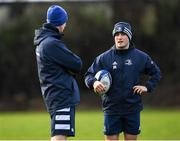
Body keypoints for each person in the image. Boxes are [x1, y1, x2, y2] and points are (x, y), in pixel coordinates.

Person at [84, 22, 161, 140]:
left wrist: (147, 86)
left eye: (123, 34)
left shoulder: (141, 57)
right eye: (117, 34)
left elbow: (156, 73)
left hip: (132, 109)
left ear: (129, 36)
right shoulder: (104, 58)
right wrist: (94, 82)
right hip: (111, 109)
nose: (119, 37)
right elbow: (88, 75)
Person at [34, 5, 82, 141]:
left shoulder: (43, 42)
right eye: (65, 21)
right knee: (59, 136)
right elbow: (77, 63)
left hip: (54, 94)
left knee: (59, 133)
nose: (65, 25)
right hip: (61, 96)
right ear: (61, 23)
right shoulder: (51, 44)